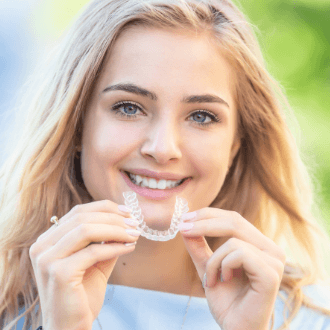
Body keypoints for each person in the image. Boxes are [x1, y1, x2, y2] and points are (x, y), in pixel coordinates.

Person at [0, 0, 330, 329]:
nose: (162, 149)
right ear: (75, 125)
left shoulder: (310, 320)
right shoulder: (9, 311)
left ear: (235, 145)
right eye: (129, 108)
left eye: (201, 116)